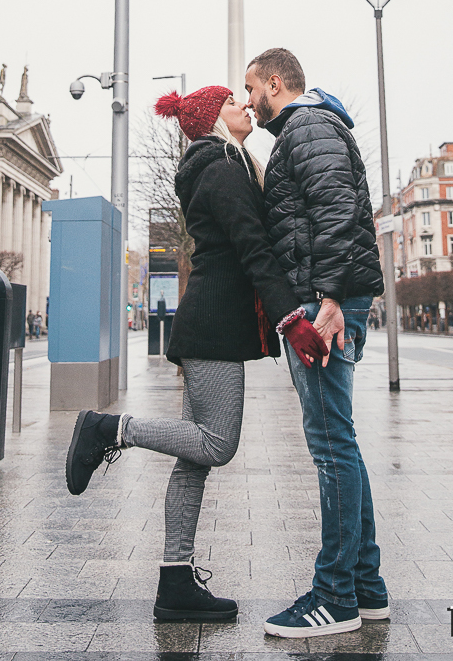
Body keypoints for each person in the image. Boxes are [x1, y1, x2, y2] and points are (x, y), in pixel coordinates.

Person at [64, 85, 327, 624]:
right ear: (213, 119)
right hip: (213, 326)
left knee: (194, 460)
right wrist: (290, 318)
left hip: (214, 323)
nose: (246, 107)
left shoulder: (220, 163)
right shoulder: (221, 168)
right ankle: (108, 429)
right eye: (234, 102)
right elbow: (253, 248)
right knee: (216, 443)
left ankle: (175, 582)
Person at [244, 47, 390, 640]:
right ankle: (366, 587)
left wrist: (328, 297)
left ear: (274, 83)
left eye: (251, 87)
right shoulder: (310, 129)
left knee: (332, 447)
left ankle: (334, 596)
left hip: (323, 303)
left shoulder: (306, 127)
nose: (248, 100)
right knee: (342, 444)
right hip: (326, 297)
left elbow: (336, 210)